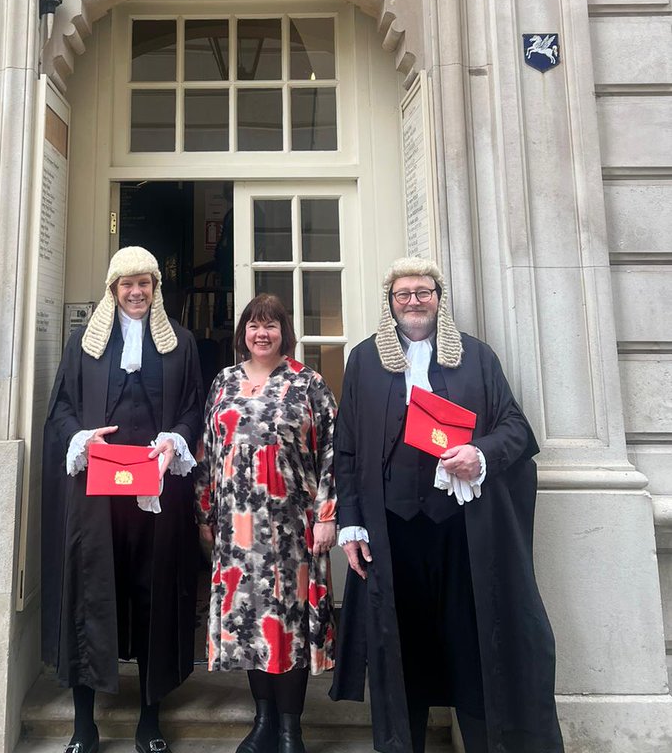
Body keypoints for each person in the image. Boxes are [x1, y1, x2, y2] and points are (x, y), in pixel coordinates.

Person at [330, 257, 564, 753]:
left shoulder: (477, 358)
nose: (414, 301)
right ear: (390, 303)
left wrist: (479, 454)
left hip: (461, 529)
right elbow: (347, 449)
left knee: (471, 643)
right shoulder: (364, 361)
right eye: (403, 294)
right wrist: (350, 524)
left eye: (423, 292)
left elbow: (517, 431)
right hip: (392, 531)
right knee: (401, 650)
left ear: (439, 297)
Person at [42, 246, 203, 753]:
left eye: (146, 284)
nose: (136, 292)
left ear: (156, 289)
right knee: (93, 595)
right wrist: (82, 438)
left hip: (157, 497)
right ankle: (84, 724)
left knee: (153, 596)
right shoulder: (82, 345)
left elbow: (194, 409)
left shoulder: (181, 343)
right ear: (112, 291)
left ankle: (149, 718)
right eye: (126, 284)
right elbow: (62, 407)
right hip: (97, 500)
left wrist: (174, 440)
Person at [196, 294, 337, 753]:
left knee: (289, 625)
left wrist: (326, 516)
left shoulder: (309, 383)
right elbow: (207, 453)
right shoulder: (223, 381)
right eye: (254, 325)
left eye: (271, 326)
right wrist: (206, 514)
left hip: (292, 528)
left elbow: (334, 455)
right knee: (251, 623)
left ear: (284, 332)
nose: (262, 333)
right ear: (243, 333)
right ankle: (263, 721)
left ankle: (290, 728)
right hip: (236, 530)